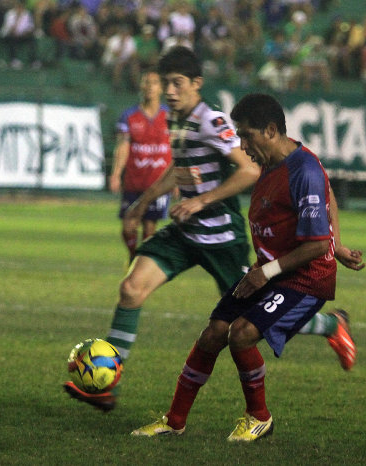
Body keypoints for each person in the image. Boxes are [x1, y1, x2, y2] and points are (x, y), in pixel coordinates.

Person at [131, 93, 364, 441]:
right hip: (271, 268)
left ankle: (259, 416)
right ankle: (174, 420)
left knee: (241, 334)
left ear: (270, 130)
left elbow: (315, 244)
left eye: (247, 136)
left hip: (304, 278)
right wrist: (339, 243)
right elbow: (326, 194)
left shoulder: (303, 168)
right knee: (213, 333)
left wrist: (316, 252)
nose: (242, 145)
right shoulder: (275, 160)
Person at [63, 46, 261, 410]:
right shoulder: (175, 118)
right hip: (185, 233)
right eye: (166, 83)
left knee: (254, 319)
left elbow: (250, 170)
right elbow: (178, 169)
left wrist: (201, 200)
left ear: (196, 84)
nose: (170, 91)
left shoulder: (211, 121)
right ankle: (106, 383)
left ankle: (329, 326)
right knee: (131, 288)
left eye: (177, 83)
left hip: (220, 238)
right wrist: (141, 204)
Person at [109, 69, 172, 264]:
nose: (149, 87)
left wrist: (176, 179)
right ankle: (132, 256)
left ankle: (142, 263)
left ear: (161, 88)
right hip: (134, 181)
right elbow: (123, 146)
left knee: (149, 226)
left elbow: (176, 149)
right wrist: (116, 173)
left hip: (159, 182)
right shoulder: (129, 116)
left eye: (153, 82)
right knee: (128, 225)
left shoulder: (170, 116)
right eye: (146, 82)